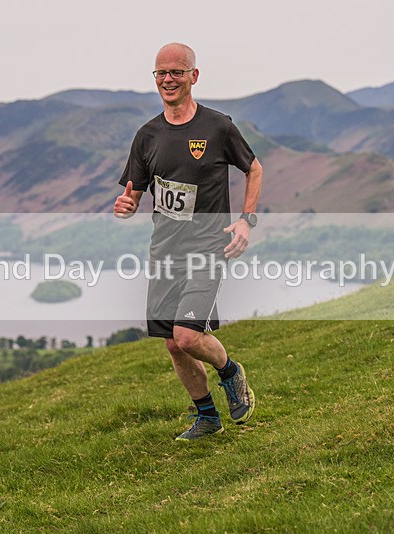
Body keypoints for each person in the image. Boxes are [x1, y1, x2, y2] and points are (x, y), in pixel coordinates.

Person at [113, 43, 264, 440]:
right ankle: (208, 417)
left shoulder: (217, 127)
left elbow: (254, 168)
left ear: (193, 76)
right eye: (161, 73)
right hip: (164, 252)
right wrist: (126, 205)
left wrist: (246, 221)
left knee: (188, 335)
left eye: (176, 72)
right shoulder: (147, 136)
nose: (168, 79)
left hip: (207, 248)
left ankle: (230, 371)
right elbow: (134, 194)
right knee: (174, 346)